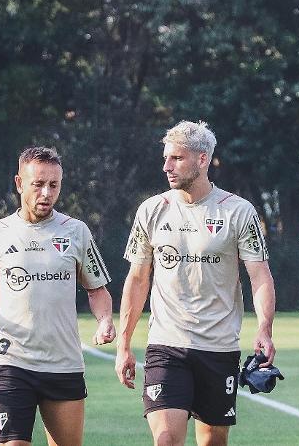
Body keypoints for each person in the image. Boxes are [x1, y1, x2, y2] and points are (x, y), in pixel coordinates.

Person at [115, 120, 276, 446]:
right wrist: (123, 344)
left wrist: (265, 328)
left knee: (213, 443)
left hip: (219, 348)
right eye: (165, 158)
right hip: (166, 345)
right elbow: (137, 279)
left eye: (176, 158)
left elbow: (259, 276)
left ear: (202, 159)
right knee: (166, 440)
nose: (166, 167)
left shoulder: (238, 211)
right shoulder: (151, 210)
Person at [0, 147, 116, 446]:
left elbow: (97, 290)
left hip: (64, 363)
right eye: (38, 184)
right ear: (20, 183)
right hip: (12, 362)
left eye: (54, 185)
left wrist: (105, 320)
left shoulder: (76, 231)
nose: (46, 193)